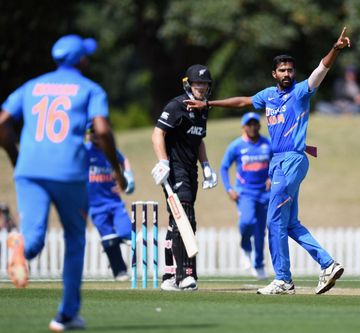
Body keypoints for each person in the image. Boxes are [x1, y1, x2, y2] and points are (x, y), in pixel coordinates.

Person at [185, 27, 351, 295]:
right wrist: (209, 105)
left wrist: (336, 49)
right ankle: (327, 264)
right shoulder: (268, 96)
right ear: (274, 74)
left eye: (290, 70)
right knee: (289, 223)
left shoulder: (300, 93)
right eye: (282, 70)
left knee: (274, 221)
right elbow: (243, 101)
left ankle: (283, 279)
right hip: (280, 163)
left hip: (291, 162)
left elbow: (321, 70)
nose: (287, 74)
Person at [0, 34, 126, 331]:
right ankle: (66, 314)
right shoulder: (90, 89)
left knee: (33, 237)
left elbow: (3, 122)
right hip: (68, 171)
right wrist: (116, 169)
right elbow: (103, 132)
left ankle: (20, 246)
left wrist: (15, 155)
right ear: (82, 60)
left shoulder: (31, 86)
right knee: (74, 239)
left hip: (29, 170)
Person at [151, 64, 218, 292]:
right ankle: (185, 275)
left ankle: (169, 276)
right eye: (197, 83)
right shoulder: (177, 105)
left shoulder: (203, 109)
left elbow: (198, 139)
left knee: (177, 224)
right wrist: (163, 161)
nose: (201, 87)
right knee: (185, 219)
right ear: (189, 84)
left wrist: (206, 165)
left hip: (191, 170)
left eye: (205, 84)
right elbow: (158, 133)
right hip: (175, 169)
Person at [220, 112, 272, 280]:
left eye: (254, 124)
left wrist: (272, 177)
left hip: (265, 194)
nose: (252, 127)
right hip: (244, 193)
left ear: (259, 125)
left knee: (260, 232)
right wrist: (229, 189)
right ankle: (245, 248)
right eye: (248, 124)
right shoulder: (236, 145)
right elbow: (224, 167)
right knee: (247, 221)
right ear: (243, 127)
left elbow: (277, 162)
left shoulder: (268, 144)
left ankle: (258, 264)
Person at [85, 125, 135, 281]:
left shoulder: (109, 149)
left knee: (128, 234)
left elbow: (124, 160)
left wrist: (128, 175)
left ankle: (111, 245)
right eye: (91, 132)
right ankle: (119, 271)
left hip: (114, 202)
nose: (94, 135)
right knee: (108, 239)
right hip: (94, 206)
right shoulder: (84, 150)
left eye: (97, 132)